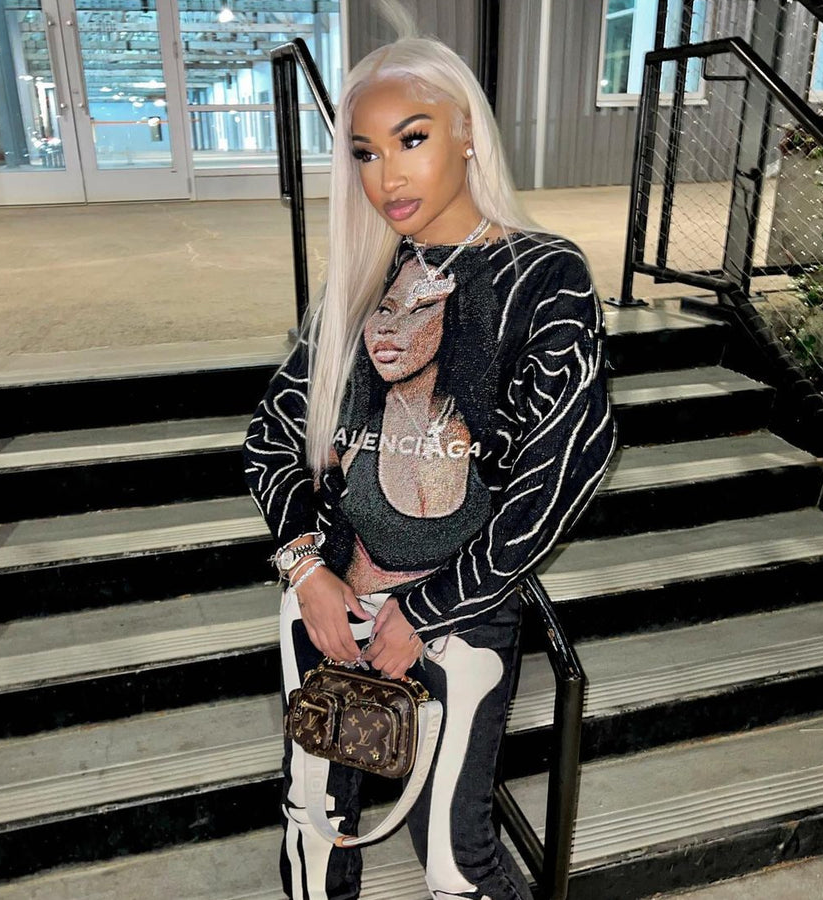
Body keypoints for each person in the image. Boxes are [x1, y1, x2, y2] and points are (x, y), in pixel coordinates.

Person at [242, 24, 616, 900]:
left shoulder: (543, 275)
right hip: (332, 606)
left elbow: (563, 470)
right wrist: (306, 572)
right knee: (313, 825)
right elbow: (271, 436)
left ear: (467, 132)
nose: (387, 177)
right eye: (365, 153)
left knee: (454, 862)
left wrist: (430, 608)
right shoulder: (361, 281)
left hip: (460, 616)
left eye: (411, 139)